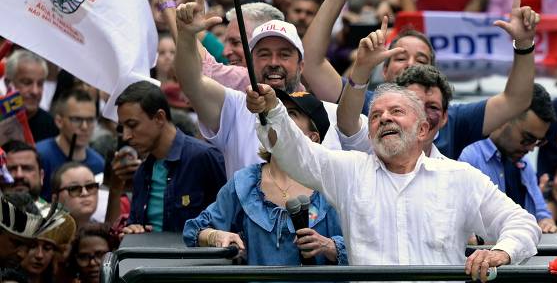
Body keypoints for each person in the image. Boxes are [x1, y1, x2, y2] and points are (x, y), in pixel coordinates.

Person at [250, 83, 541, 282]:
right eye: (375, 116)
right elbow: (294, 152)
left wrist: (501, 252)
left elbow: (522, 222)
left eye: (396, 112)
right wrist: (273, 109)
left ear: (423, 129)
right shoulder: (348, 171)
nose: (384, 118)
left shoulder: (459, 178)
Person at [307, 0, 539, 161]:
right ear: (384, 70)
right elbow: (311, 65)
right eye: (400, 57)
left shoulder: (452, 118)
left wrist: (524, 43)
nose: (410, 65)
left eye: (421, 60)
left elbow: (515, 101)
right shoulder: (361, 101)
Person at [174, 0, 348, 177]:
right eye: (264, 54)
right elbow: (192, 82)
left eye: (284, 55)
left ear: (301, 65)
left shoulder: (333, 116)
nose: (274, 63)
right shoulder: (234, 109)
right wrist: (186, 35)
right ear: (251, 62)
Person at [183, 91, 347, 266]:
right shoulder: (245, 182)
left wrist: (330, 246)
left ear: (312, 137)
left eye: (290, 114)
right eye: (275, 111)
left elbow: (362, 244)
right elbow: (194, 231)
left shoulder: (330, 186)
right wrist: (217, 236)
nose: (278, 117)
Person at [115, 81, 226, 234]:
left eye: (132, 125)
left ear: (160, 118)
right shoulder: (142, 172)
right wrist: (133, 231)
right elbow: (133, 224)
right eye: (122, 128)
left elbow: (231, 221)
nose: (126, 136)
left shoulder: (204, 158)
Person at [460, 83, 557, 233]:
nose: (531, 148)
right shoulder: (467, 159)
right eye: (528, 138)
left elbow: (542, 214)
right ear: (503, 119)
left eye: (538, 142)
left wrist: (546, 223)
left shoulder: (524, 164)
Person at [35, 89, 104, 200]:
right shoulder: (40, 156)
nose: (84, 127)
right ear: (59, 121)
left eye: (90, 120)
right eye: (77, 119)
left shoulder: (98, 163)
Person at [4, 50, 58, 142]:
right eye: (27, 82)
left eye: (40, 84)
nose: (35, 91)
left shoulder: (51, 126)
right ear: (8, 82)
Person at [50, 163, 98, 228]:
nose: (85, 193)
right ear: (55, 199)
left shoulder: (103, 232)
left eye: (90, 186)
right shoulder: (45, 235)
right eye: (74, 189)